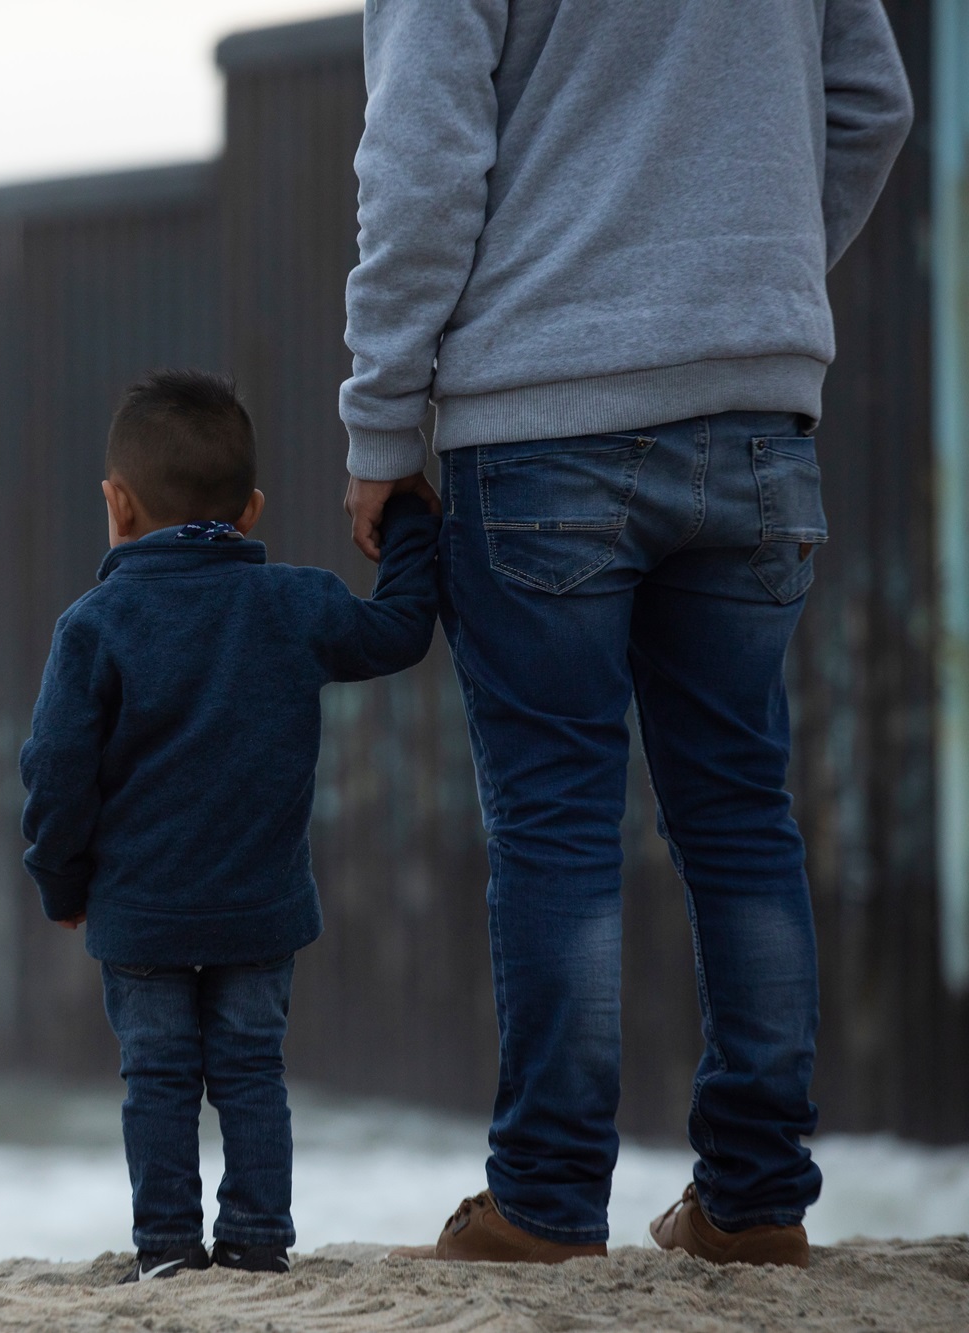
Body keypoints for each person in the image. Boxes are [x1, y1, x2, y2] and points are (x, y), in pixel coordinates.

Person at [338, 0, 915, 1266]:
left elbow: (422, 157)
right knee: (738, 810)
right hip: (757, 413)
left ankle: (543, 1202)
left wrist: (380, 424)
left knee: (553, 819)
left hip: (541, 411)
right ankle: (755, 1202)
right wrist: (744, 296)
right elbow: (872, 104)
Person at [19, 369, 439, 1282]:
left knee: (159, 1077)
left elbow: (55, 773)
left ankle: (166, 1249)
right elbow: (403, 628)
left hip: (141, 912)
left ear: (117, 504)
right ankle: (255, 1240)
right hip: (260, 906)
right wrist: (405, 519)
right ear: (249, 510)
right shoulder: (296, 603)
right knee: (251, 1070)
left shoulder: (93, 626)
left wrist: (61, 881)